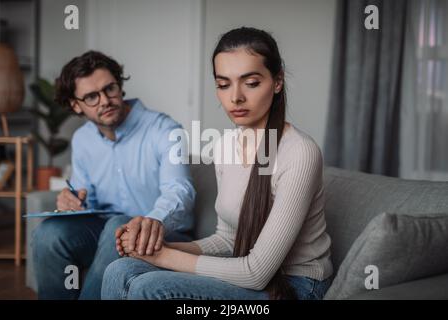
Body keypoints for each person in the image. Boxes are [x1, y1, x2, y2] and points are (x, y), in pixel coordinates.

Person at [102, 27, 333, 300]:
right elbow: (227, 240)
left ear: (278, 81)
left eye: (251, 82)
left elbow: (257, 273)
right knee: (121, 269)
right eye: (223, 84)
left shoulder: (300, 153)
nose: (235, 97)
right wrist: (152, 248)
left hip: (296, 286)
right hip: (248, 272)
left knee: (148, 287)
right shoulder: (224, 146)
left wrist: (164, 257)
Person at [32, 51, 196, 300]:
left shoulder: (164, 128)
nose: (104, 100)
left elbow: (180, 190)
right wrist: (73, 201)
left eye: (110, 89)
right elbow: (85, 196)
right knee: (48, 234)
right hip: (105, 232)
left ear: (120, 86)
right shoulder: (83, 139)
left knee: (118, 225)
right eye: (91, 96)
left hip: (161, 235)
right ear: (76, 105)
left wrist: (151, 222)